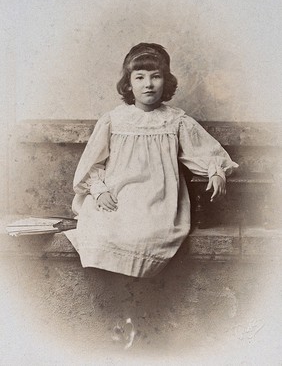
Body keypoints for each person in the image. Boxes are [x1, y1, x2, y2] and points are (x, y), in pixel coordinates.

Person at [66, 43, 238, 278]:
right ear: (129, 83)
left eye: (156, 76)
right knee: (103, 227)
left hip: (157, 198)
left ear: (165, 82)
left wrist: (215, 171)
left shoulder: (175, 121)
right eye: (140, 77)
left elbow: (205, 151)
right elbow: (93, 163)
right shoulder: (113, 120)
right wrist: (99, 190)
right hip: (117, 194)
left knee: (148, 233)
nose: (148, 84)